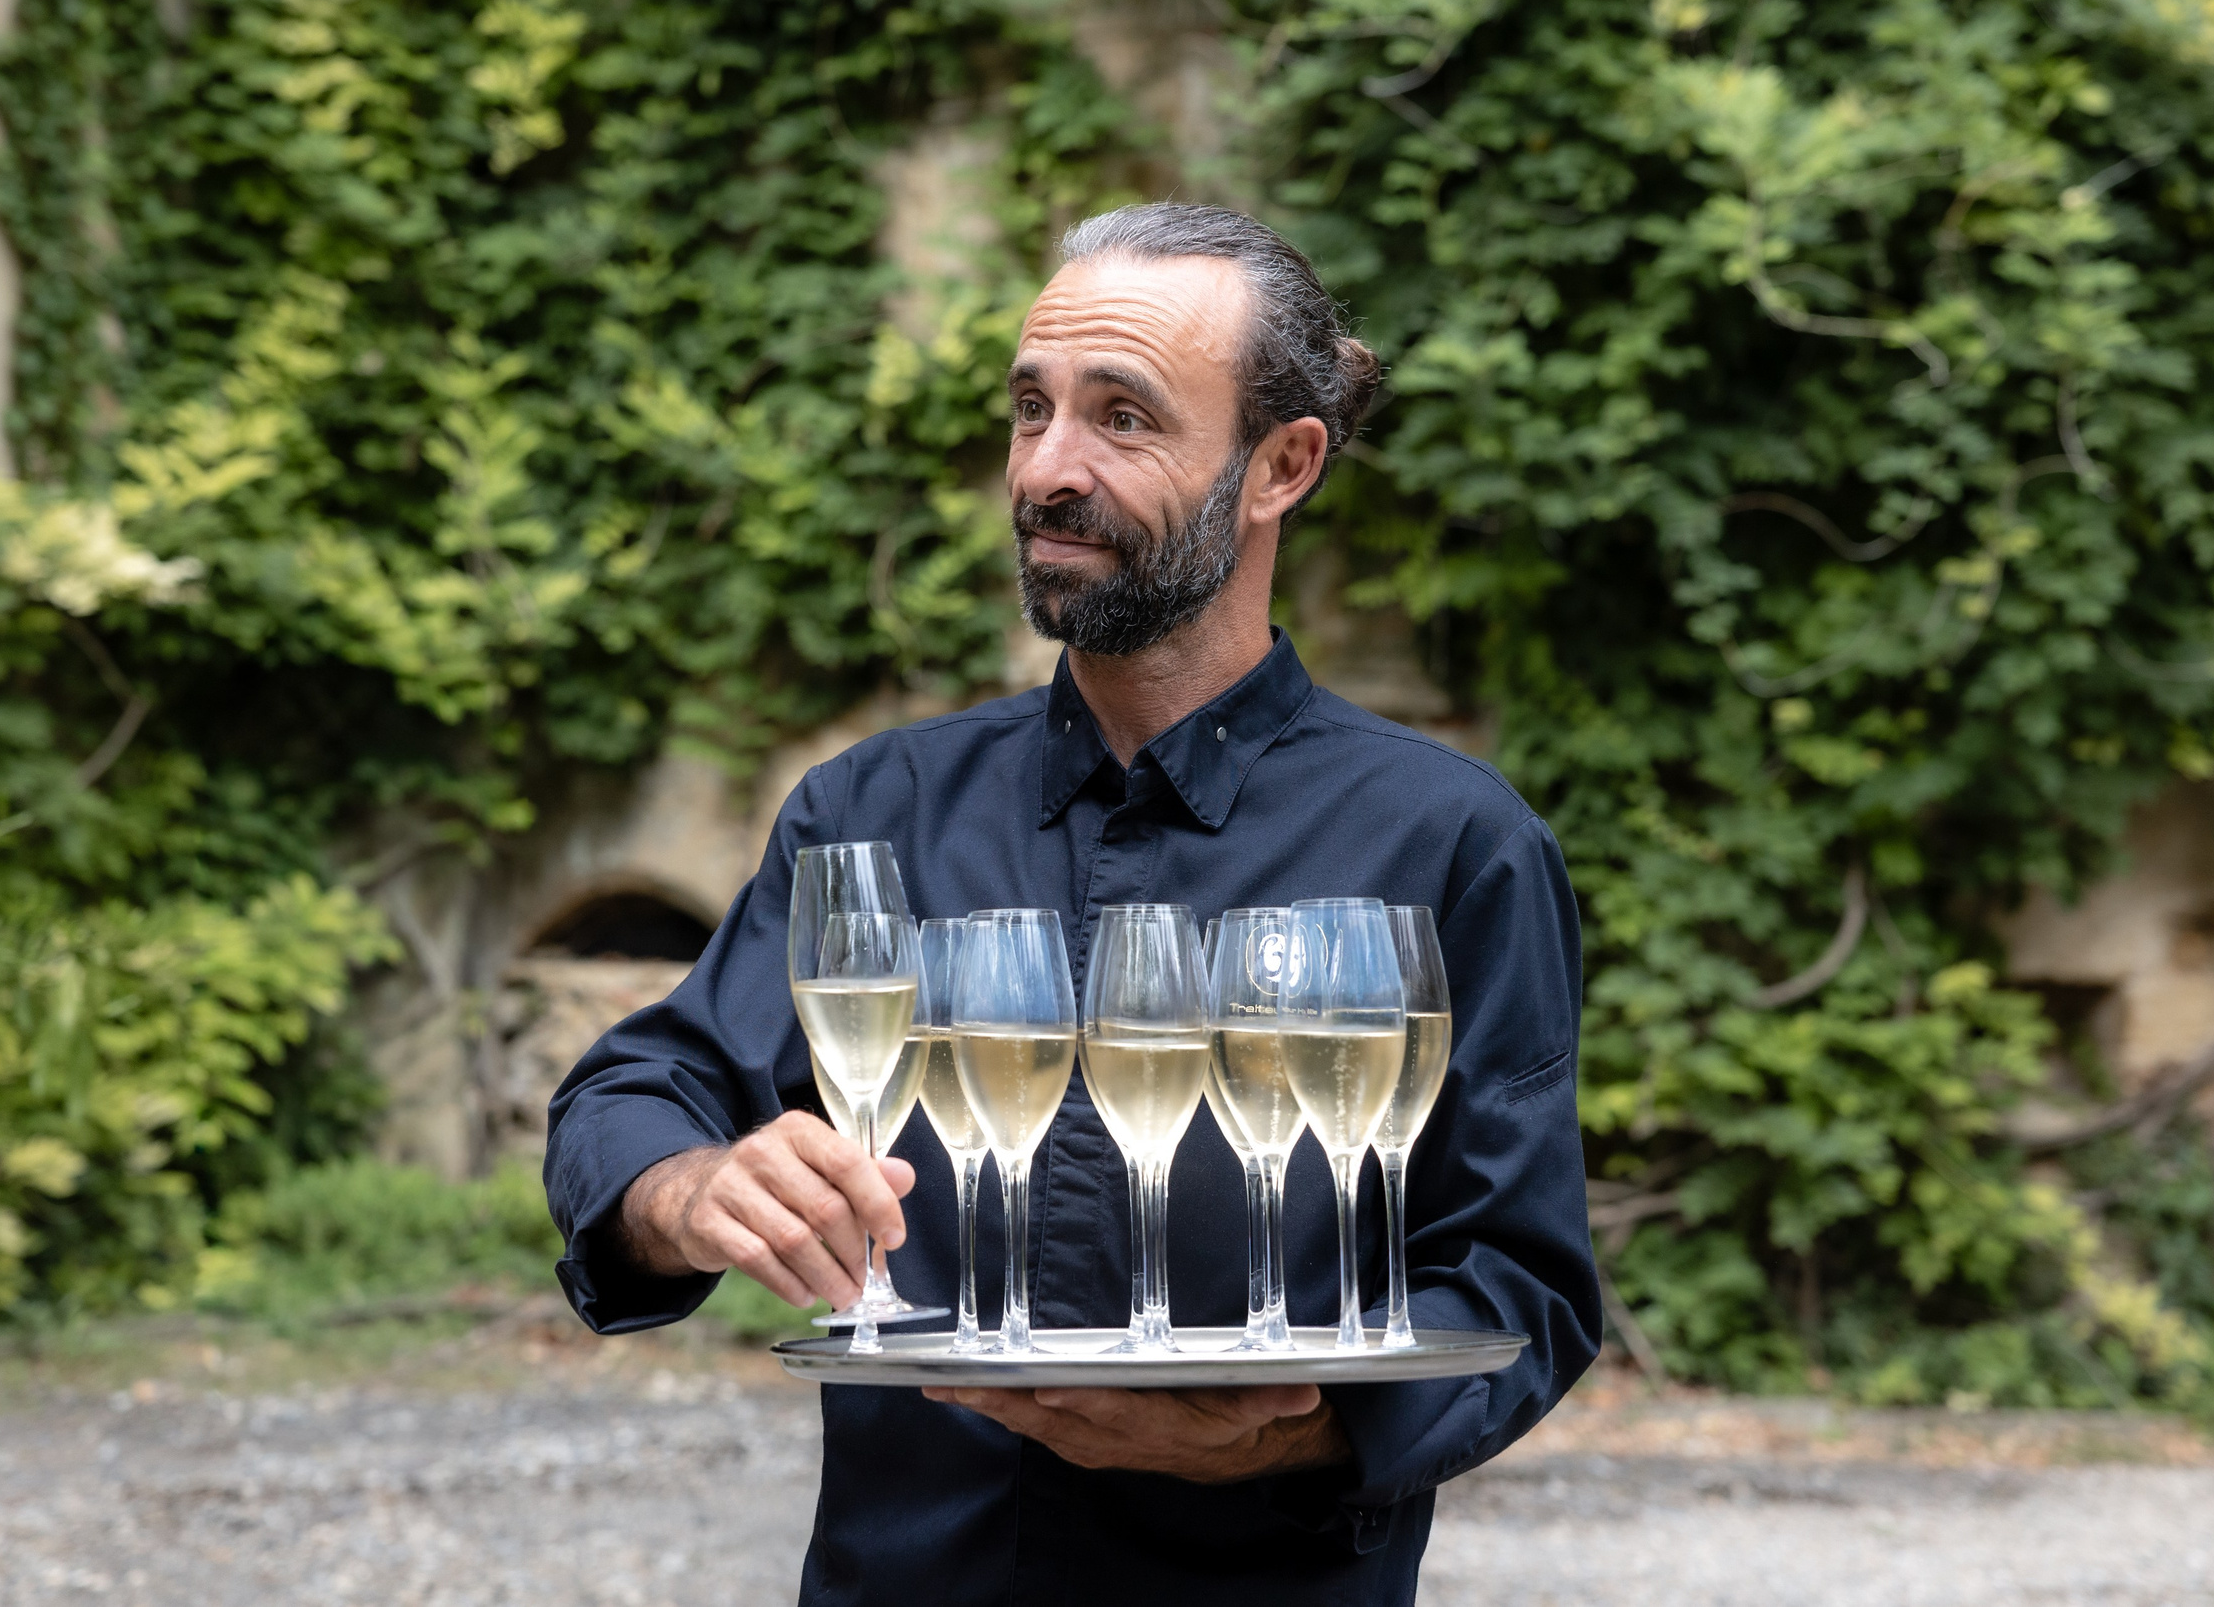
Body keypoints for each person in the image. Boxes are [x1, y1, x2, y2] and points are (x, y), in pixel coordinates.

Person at [545, 202, 1599, 1605]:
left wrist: (1292, 1433)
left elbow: (1522, 1285)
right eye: (1030, 409)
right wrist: (689, 1190)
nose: (1048, 468)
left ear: (1281, 466)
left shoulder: (1450, 842)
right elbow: (643, 1085)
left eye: (1122, 418)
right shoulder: (871, 814)